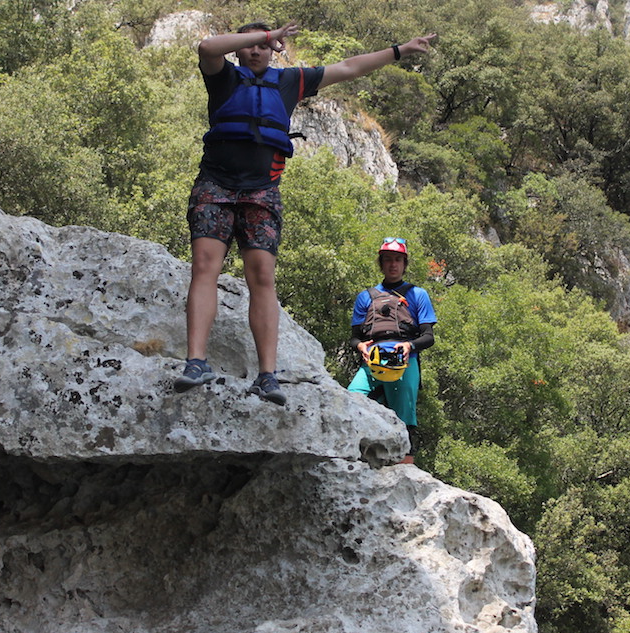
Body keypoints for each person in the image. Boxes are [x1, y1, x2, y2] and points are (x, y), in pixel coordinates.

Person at [174, 20, 438, 407]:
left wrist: (400, 50)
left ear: (274, 52)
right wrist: (268, 35)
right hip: (216, 185)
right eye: (251, 44)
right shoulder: (223, 76)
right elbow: (207, 47)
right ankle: (196, 362)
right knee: (204, 267)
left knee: (262, 277)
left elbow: (350, 67)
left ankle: (267, 376)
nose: (256, 50)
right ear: (241, 47)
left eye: (264, 46)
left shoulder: (290, 81)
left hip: (261, 191)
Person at [348, 238, 436, 463]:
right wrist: (360, 346)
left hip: (404, 362)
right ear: (381, 264)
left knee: (404, 419)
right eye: (388, 260)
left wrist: (409, 346)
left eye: (398, 260)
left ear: (405, 264)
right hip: (372, 362)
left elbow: (428, 337)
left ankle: (405, 467)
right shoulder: (366, 297)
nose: (393, 264)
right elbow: (355, 337)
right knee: (352, 400)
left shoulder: (418, 295)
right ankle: (357, 456)